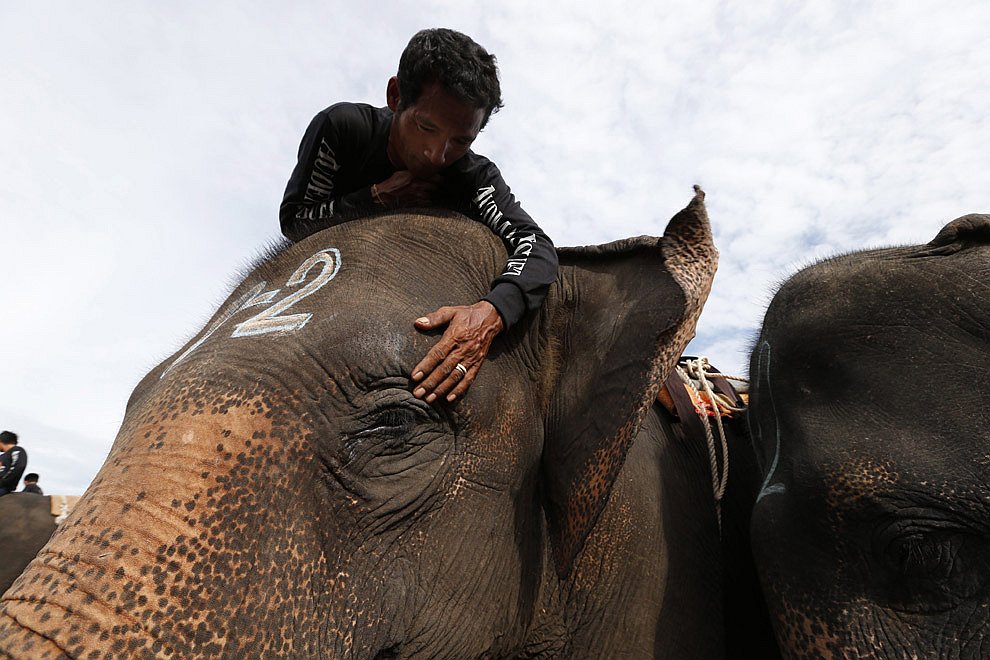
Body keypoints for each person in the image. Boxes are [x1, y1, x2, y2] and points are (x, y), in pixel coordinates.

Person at [280, 28, 558, 404]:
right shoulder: (343, 128)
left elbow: (536, 245)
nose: (437, 154)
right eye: (426, 127)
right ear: (395, 95)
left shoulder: (474, 177)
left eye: (461, 141)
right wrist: (372, 198)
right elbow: (295, 220)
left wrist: (491, 312)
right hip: (321, 303)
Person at [0, 431, 27, 496]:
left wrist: (4, 481)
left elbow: (20, 466)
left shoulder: (16, 450)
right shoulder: (3, 456)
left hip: (4, 487)